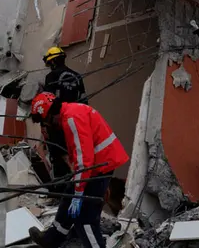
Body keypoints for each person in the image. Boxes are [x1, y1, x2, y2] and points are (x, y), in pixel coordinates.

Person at [27, 91, 128, 248]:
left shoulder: (71, 119)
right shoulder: (71, 111)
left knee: (85, 219)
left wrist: (79, 192)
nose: (45, 126)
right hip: (97, 164)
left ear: (50, 115)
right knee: (69, 194)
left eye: (44, 122)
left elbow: (84, 159)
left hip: (99, 168)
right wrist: (75, 186)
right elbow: (79, 153)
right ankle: (51, 239)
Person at [42, 46, 87, 193]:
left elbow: (47, 103)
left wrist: (44, 125)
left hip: (57, 125)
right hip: (76, 123)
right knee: (74, 156)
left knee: (58, 157)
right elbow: (84, 101)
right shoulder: (77, 76)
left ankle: (61, 193)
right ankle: (76, 188)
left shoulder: (52, 77)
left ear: (53, 62)